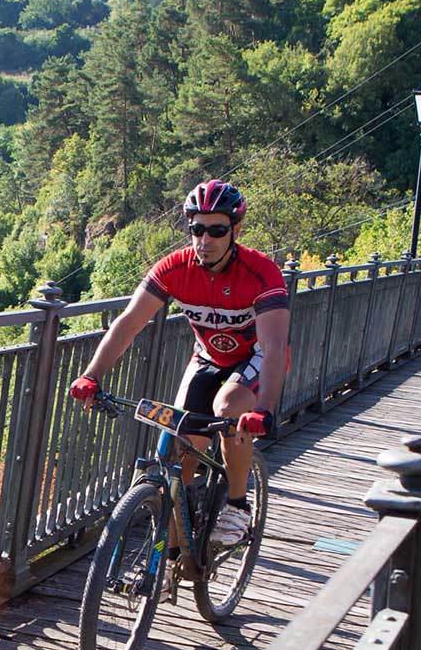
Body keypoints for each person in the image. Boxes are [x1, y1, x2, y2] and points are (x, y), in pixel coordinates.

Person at [68, 179, 289, 549]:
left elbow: (275, 344)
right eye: (197, 229)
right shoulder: (175, 268)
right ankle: (170, 557)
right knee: (177, 452)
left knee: (227, 407)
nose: (205, 240)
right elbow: (128, 323)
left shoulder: (260, 273)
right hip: (206, 358)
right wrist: (91, 376)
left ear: (235, 230)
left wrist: (264, 408)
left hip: (256, 358)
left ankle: (237, 505)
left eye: (217, 230)